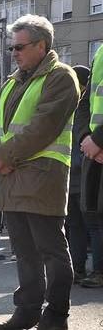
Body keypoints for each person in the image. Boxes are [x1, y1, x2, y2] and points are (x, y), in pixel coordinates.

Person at [0, 15, 79, 329]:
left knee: (51, 250)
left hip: (42, 176)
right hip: (12, 177)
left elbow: (44, 126)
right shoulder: (13, 81)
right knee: (24, 253)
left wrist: (3, 155)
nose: (14, 52)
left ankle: (55, 316)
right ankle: (27, 312)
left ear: (42, 45)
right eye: (12, 47)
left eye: (20, 47)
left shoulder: (60, 76)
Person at [78, 43, 103, 289]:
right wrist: (86, 137)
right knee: (93, 214)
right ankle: (98, 270)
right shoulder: (100, 52)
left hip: (97, 146)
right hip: (94, 153)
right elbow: (85, 103)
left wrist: (97, 140)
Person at [65, 65, 91, 284]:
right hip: (75, 176)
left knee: (84, 224)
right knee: (76, 224)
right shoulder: (75, 108)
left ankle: (80, 267)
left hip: (80, 175)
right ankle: (78, 267)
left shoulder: (83, 109)